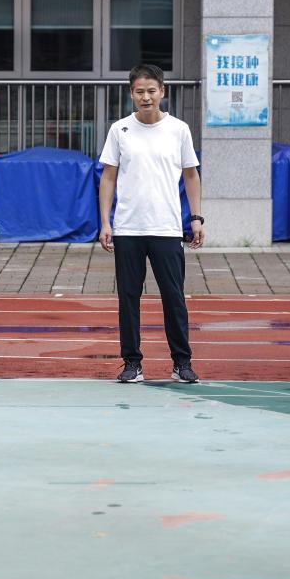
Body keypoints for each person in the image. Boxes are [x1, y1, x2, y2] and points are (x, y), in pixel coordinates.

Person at [99, 63, 203, 384]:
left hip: (166, 228)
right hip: (128, 228)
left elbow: (191, 175)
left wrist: (196, 218)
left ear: (162, 91)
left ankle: (181, 362)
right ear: (131, 94)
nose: (146, 97)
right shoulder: (119, 130)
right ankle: (132, 363)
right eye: (139, 92)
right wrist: (105, 222)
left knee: (174, 298)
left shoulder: (178, 129)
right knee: (128, 298)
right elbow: (108, 177)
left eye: (151, 91)